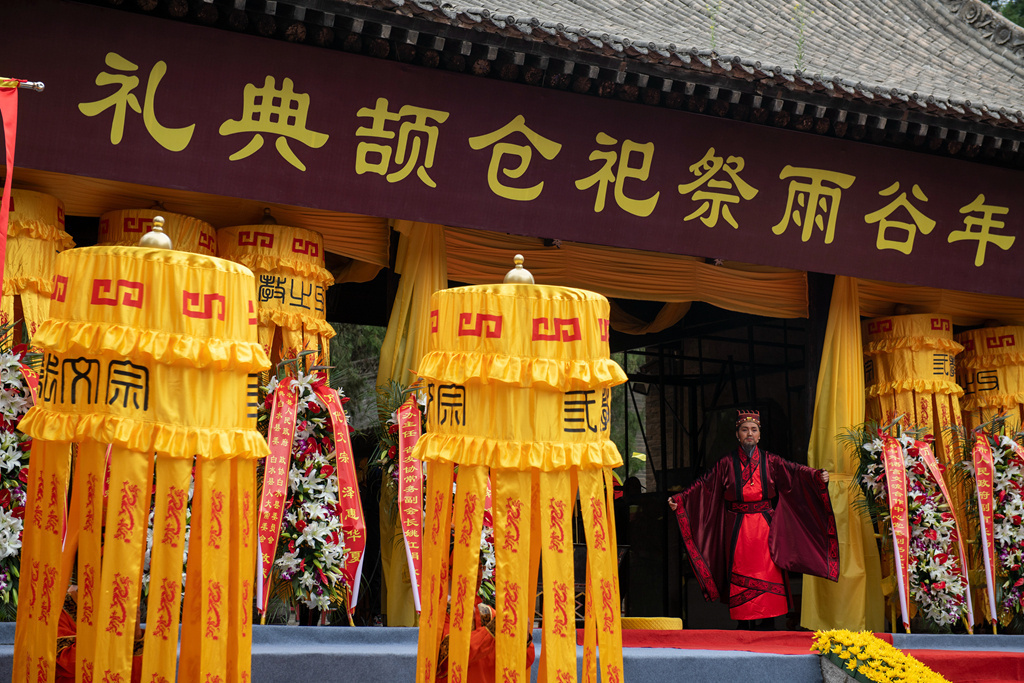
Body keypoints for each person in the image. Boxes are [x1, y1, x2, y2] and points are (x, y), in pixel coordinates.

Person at [668, 409, 839, 628]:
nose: (749, 433)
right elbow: (704, 486)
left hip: (767, 528)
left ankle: (769, 622)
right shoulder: (726, 464)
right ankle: (744, 626)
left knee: (770, 571)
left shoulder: (772, 461)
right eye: (744, 430)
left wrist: (816, 476)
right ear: (737, 435)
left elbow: (795, 472)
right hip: (738, 529)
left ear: (760, 435)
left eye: (754, 430)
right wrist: (681, 499)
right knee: (740, 572)